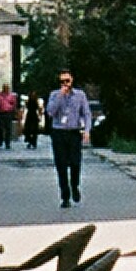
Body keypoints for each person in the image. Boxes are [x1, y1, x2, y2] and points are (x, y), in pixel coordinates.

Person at [43, 71, 96, 207]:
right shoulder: (54, 95)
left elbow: (86, 113)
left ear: (72, 80)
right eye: (62, 82)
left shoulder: (80, 95)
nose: (65, 84)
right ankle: (65, 196)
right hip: (59, 132)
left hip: (73, 132)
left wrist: (87, 130)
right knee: (61, 165)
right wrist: (61, 95)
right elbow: (50, 112)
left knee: (75, 163)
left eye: (67, 81)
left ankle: (74, 186)